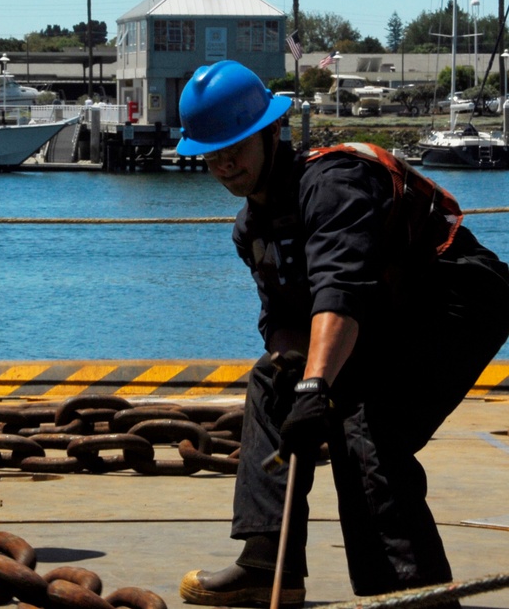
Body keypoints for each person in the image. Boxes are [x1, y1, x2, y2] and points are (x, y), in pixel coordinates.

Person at [174, 60, 509, 607]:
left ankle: (409, 594)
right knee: (271, 382)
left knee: (371, 431)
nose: (223, 163)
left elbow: (340, 291)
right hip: (386, 313)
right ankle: (266, 562)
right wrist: (294, 378)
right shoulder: (250, 228)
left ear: (271, 133)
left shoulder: (333, 186)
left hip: (457, 297)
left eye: (234, 147)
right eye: (211, 152)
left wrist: (317, 389)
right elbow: (284, 319)